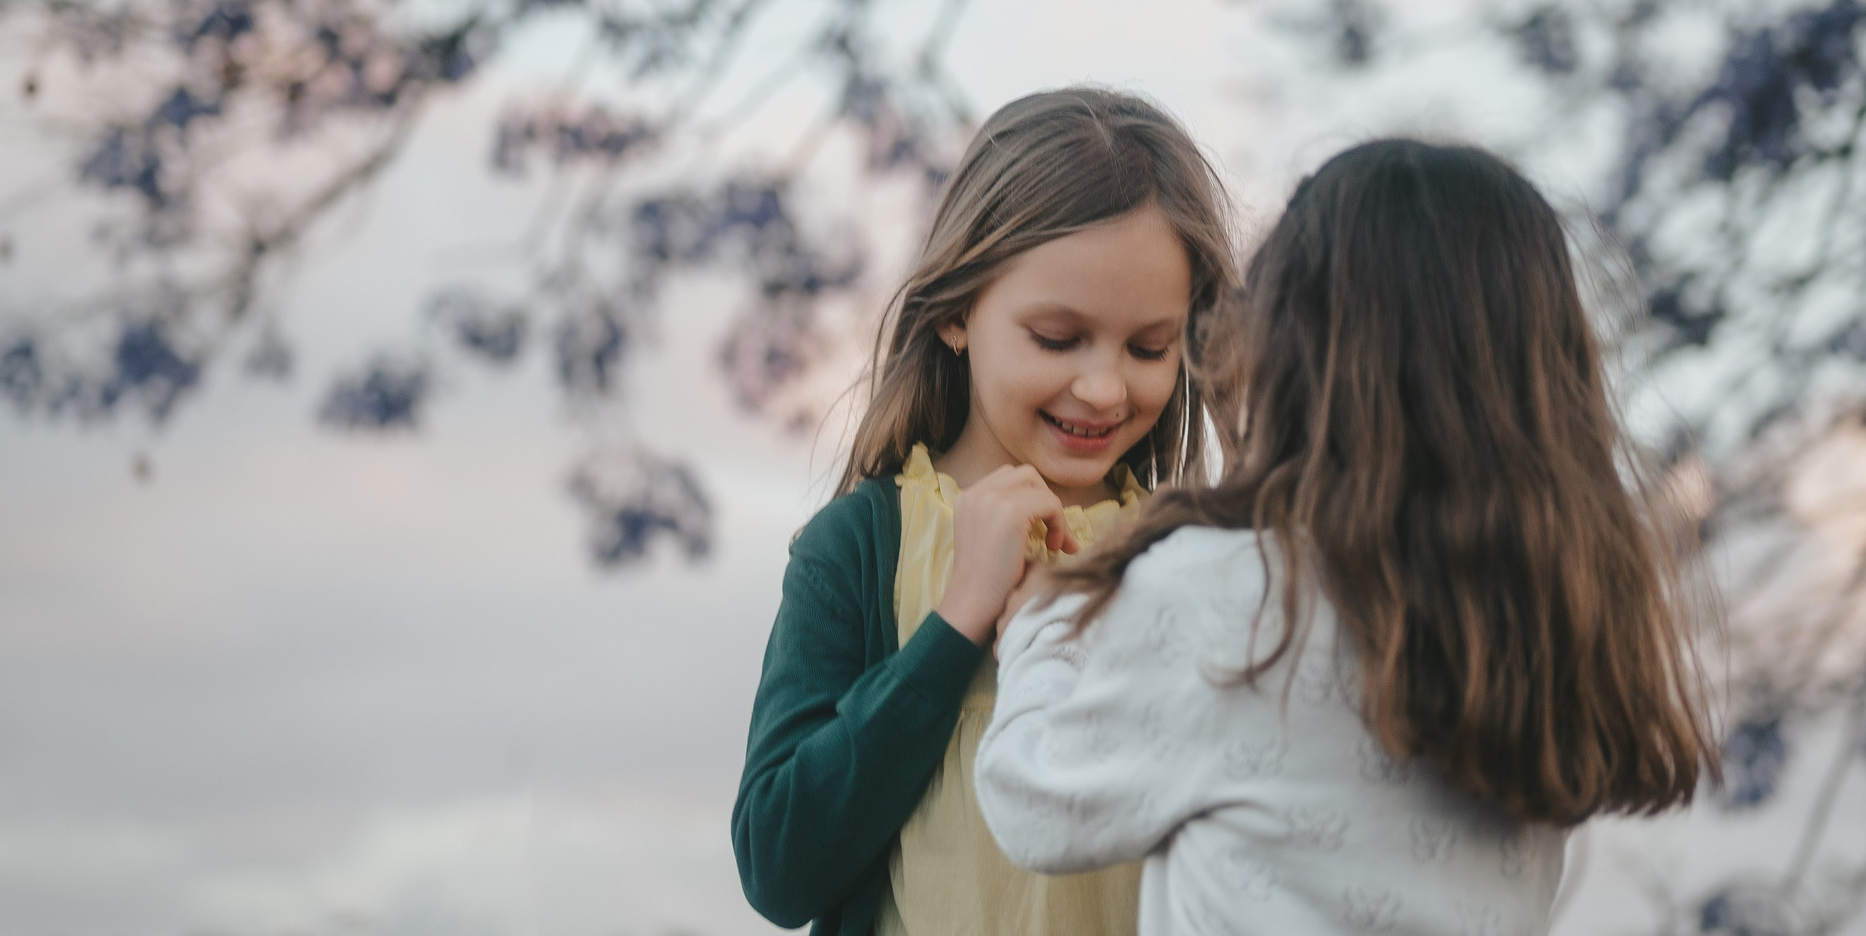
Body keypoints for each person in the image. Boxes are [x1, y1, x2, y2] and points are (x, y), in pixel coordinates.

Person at [974, 139, 1718, 936]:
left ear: (1289, 347)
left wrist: (1041, 622)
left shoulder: (1237, 592)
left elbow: (1036, 804)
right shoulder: (1530, 621)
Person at [732, 87, 1238, 936]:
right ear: (960, 311)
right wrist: (956, 622)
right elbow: (780, 867)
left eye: (1150, 347)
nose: (1105, 386)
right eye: (1057, 337)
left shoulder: (1193, 558)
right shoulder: (859, 548)